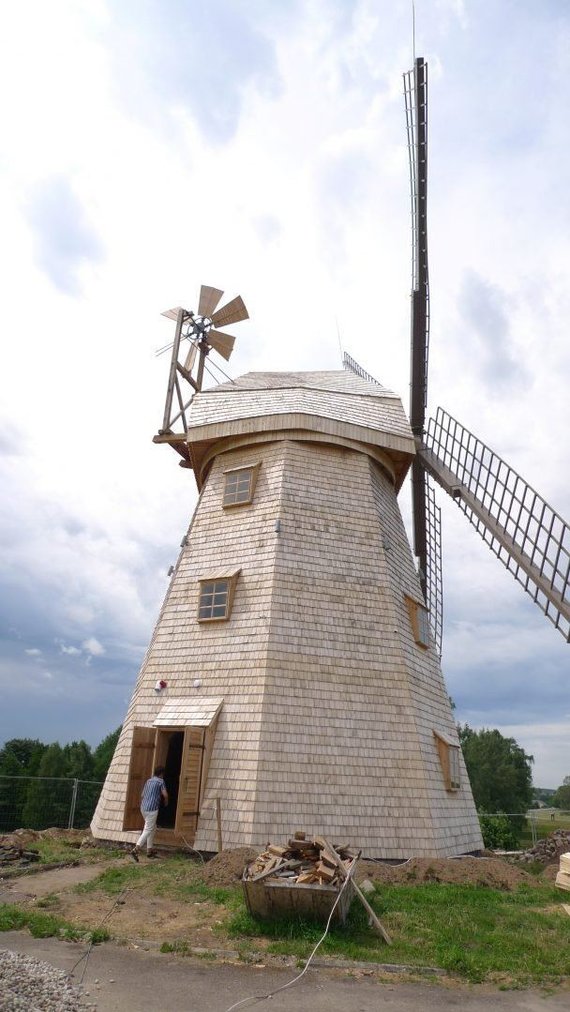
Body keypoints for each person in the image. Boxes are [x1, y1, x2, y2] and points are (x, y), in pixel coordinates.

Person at [130, 766, 168, 861]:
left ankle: (149, 850)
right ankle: (136, 849)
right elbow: (165, 794)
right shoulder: (160, 781)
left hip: (144, 807)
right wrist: (166, 801)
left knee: (152, 828)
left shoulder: (148, 781)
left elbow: (142, 795)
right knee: (148, 829)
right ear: (161, 774)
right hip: (152, 809)